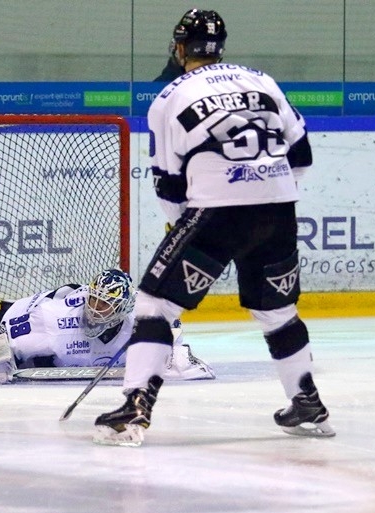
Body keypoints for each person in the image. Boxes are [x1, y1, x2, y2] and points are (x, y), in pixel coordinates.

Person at [92, 9, 334, 446]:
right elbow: (302, 157)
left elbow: (168, 184)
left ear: (179, 48)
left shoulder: (169, 97)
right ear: (220, 47)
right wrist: (266, 191)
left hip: (217, 212)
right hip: (278, 209)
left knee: (154, 304)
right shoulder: (262, 81)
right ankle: (307, 400)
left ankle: (135, 405)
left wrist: (185, 225)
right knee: (277, 310)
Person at [0, 268, 215, 384]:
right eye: (93, 300)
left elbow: (188, 361)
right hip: (24, 309)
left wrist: (178, 359)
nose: (95, 309)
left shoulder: (145, 320)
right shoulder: (55, 318)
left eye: (104, 304)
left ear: (123, 309)